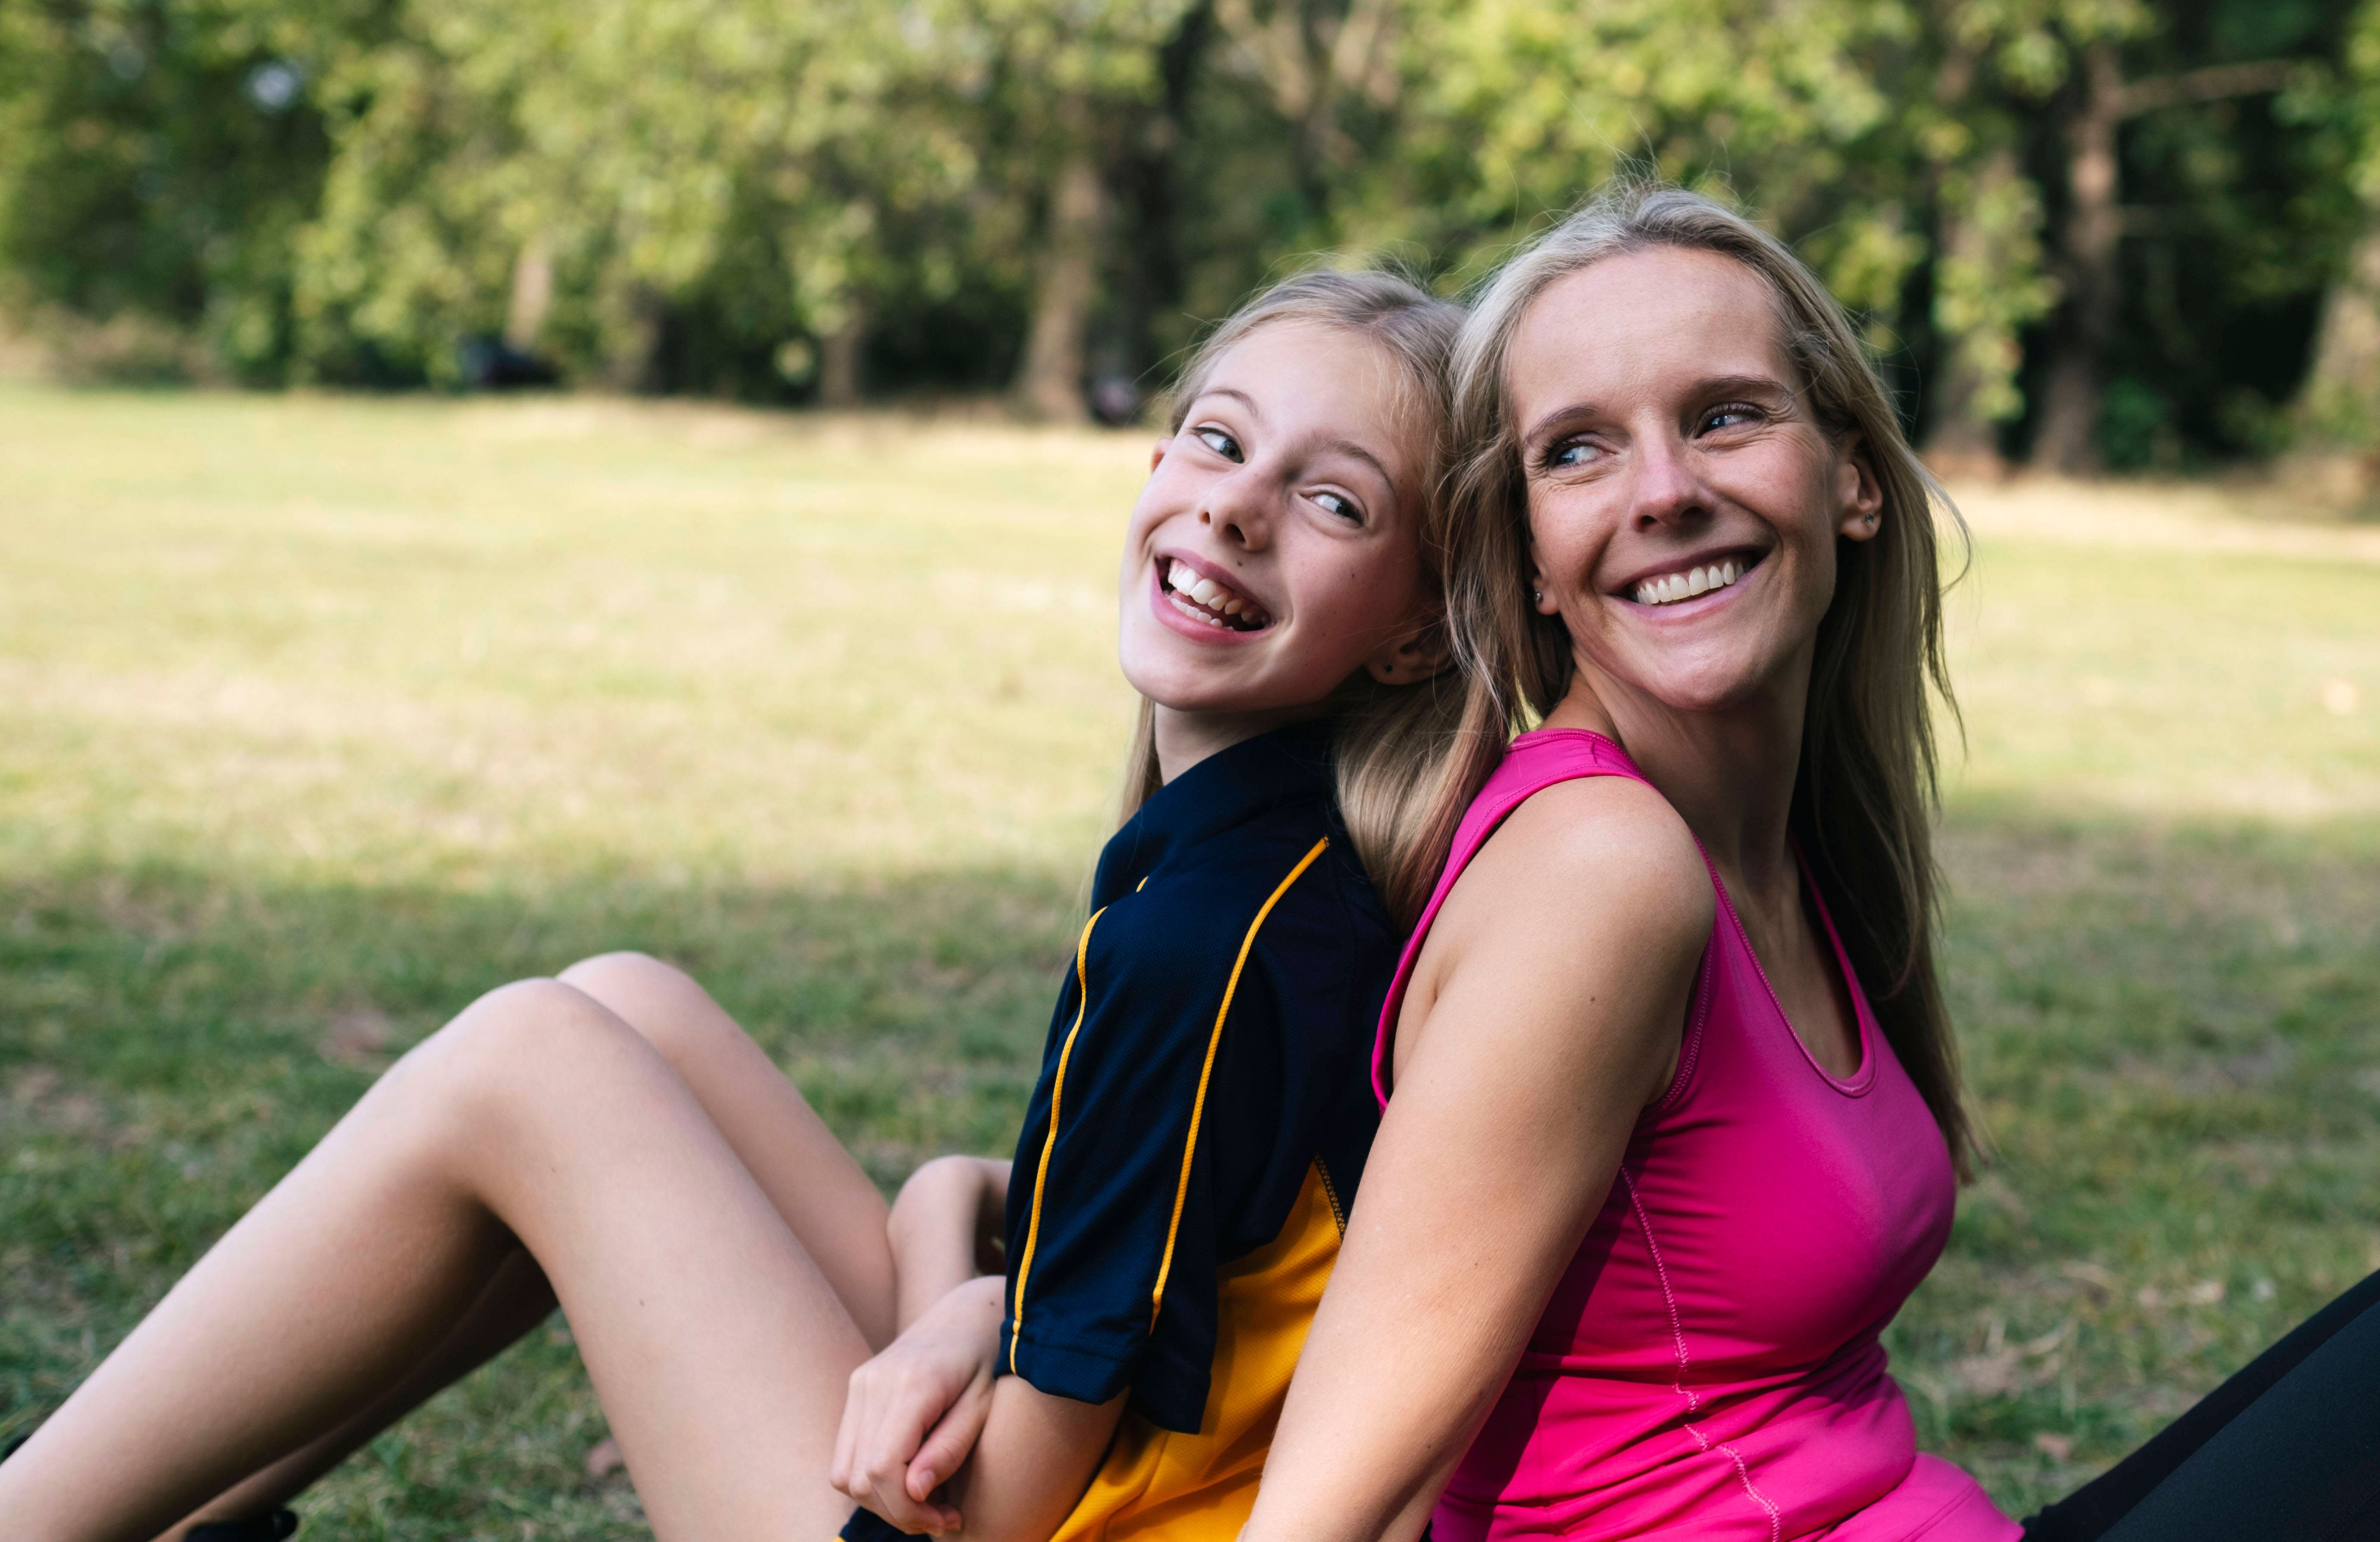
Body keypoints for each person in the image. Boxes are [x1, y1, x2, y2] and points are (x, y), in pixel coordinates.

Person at [1236, 183, 2380, 1542]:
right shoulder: (1598, 873)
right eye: (1579, 451)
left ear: (1855, 477)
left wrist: (976, 1209)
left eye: (1725, 414)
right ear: (1524, 558)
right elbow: (1337, 1505)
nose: (1665, 490)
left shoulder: (1762, 842)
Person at [0, 270, 1470, 1542]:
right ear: (1155, 463)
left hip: (1023, 1518)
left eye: (1333, 500)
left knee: (533, 1061)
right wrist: (968, 1281)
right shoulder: (1260, 854)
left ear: (1415, 634)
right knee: (628, 1002)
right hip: (1076, 1465)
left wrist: (968, 1275)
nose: (1238, 505)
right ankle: (192, 1510)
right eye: (1220, 440)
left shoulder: (1205, 943)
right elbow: (1070, 1247)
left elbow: (1013, 1497)